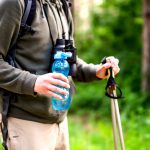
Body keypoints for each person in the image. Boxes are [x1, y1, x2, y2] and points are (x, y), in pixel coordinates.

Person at [0, 0, 120, 150]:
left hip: (60, 121)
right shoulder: (15, 4)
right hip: (26, 122)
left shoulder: (62, 5)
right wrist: (33, 82)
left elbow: (68, 59)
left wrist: (96, 71)